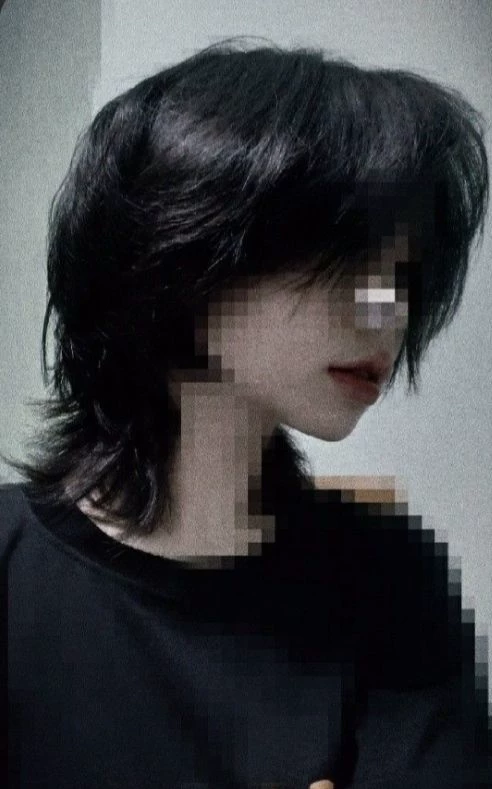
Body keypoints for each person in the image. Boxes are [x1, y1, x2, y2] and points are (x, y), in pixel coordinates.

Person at [1, 36, 491, 788]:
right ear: (180, 248)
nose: (390, 310)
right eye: (350, 255)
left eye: (403, 276)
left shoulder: (390, 579)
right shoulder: (10, 566)